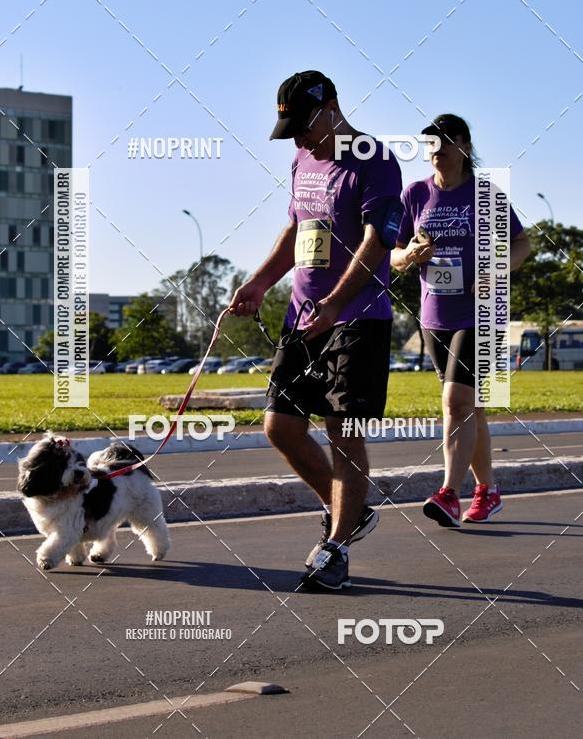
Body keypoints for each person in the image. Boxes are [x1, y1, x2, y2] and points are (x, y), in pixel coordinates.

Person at [228, 70, 402, 589]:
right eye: (292, 131)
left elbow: (378, 243)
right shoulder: (302, 156)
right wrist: (259, 282)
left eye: (305, 126)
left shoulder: (376, 161)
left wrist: (334, 303)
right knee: (279, 426)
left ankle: (337, 546)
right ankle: (345, 507)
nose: (300, 139)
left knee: (344, 433)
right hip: (303, 317)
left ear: (332, 108)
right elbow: (297, 228)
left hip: (356, 318)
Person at [391, 114, 531, 526]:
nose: (437, 150)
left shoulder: (484, 193)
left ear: (465, 146)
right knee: (470, 408)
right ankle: (487, 491)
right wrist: (410, 255)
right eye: (431, 144)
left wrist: (495, 270)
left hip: (480, 312)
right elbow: (394, 255)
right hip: (434, 315)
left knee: (455, 402)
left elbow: (522, 244)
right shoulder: (414, 194)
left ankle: (449, 493)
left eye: (446, 142)